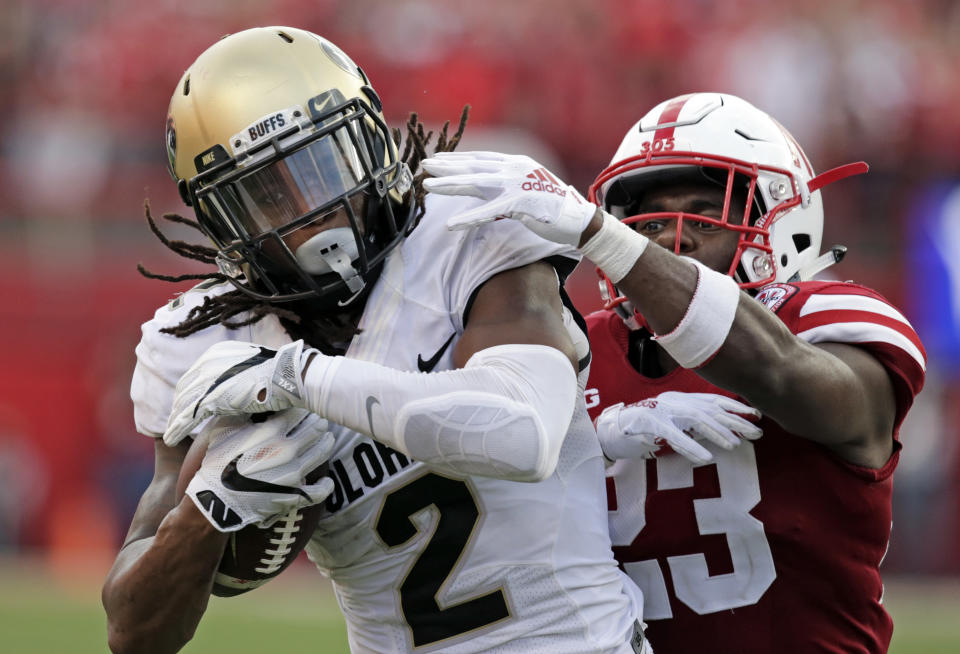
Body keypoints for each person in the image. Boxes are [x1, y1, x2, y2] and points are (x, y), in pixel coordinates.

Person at [97, 26, 695, 654]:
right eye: (268, 194)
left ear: (372, 142)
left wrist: (302, 379)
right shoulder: (207, 337)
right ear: (223, 225)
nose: (311, 208)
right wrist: (210, 509)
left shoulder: (468, 225)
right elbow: (133, 632)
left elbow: (525, 435)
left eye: (323, 166)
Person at [421, 93, 927, 653]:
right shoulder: (577, 349)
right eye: (650, 221)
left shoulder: (823, 319)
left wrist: (600, 234)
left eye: (707, 213)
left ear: (783, 221)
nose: (670, 237)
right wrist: (588, 440)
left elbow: (784, 375)